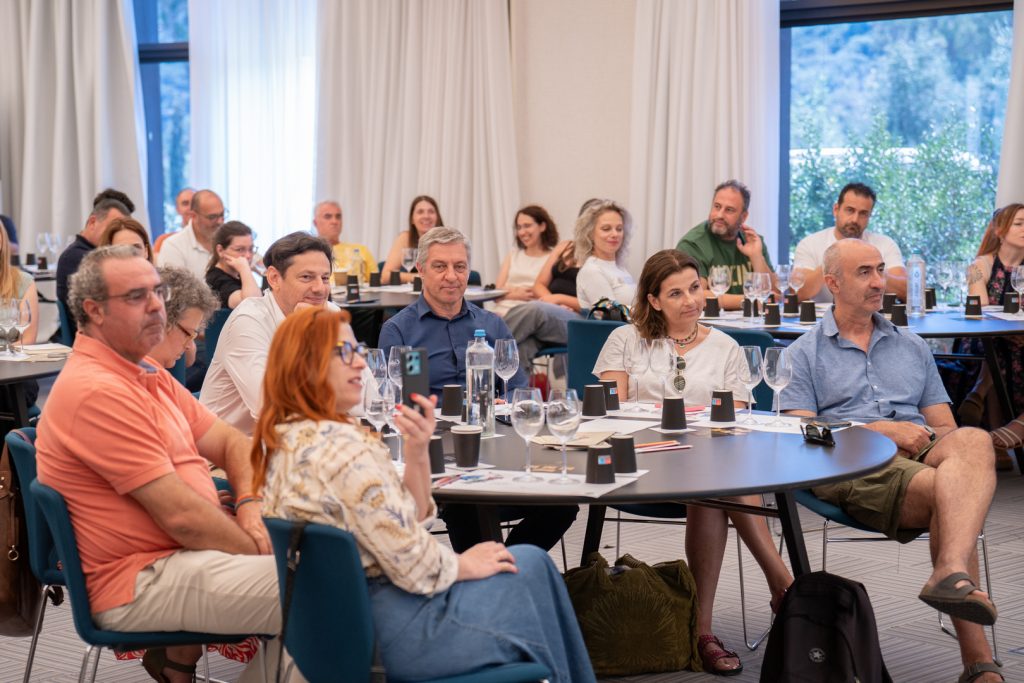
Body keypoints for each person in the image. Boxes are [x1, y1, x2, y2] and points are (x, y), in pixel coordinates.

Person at [253, 307, 596, 682]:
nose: (360, 364)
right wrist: (463, 564)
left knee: (530, 568)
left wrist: (417, 451)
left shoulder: (286, 439)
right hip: (401, 631)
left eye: (358, 351)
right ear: (304, 364)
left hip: (338, 629)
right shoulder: (345, 451)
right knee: (532, 570)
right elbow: (415, 566)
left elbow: (404, 520)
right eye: (343, 352)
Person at [35, 246, 290, 683]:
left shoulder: (145, 374)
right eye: (137, 296)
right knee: (330, 590)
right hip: (141, 579)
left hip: (179, 559)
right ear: (94, 311)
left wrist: (249, 505)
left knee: (337, 585)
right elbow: (183, 518)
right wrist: (259, 548)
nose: (157, 306)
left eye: (158, 292)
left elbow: (232, 442)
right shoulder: (97, 391)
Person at [781, 238, 1001, 683]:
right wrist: (879, 431)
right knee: (951, 495)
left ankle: (949, 571)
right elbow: (800, 436)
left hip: (921, 448)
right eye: (864, 272)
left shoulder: (911, 346)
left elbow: (945, 429)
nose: (880, 282)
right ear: (832, 284)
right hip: (852, 462)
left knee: (976, 440)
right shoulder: (802, 354)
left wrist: (928, 446)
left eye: (881, 269)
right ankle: (979, 666)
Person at [593, 249, 793, 676]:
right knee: (719, 478)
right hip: (639, 461)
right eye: (676, 293)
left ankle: (703, 632)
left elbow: (736, 420)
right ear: (653, 300)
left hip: (706, 463)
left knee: (715, 478)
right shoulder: (625, 340)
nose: (691, 300)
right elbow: (611, 413)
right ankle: (784, 586)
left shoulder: (725, 346)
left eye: (695, 288)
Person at [379, 228, 575, 552]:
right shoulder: (399, 330)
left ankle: (505, 566)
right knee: (469, 506)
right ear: (421, 269)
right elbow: (393, 401)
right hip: (439, 453)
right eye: (440, 266)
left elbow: (517, 389)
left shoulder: (492, 324)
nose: (451, 276)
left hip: (495, 442)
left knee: (562, 502)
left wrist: (504, 403)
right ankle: (494, 569)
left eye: (460, 266)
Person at [200, 231, 353, 435]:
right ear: (274, 278)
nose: (320, 288)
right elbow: (272, 408)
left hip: (301, 438)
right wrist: (305, 331)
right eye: (306, 277)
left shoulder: (330, 312)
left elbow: (365, 394)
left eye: (325, 278)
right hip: (231, 446)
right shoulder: (248, 321)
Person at [964, 203, 1024, 450]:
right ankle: (997, 437)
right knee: (998, 347)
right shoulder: (980, 265)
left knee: (1007, 349)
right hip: (985, 336)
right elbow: (979, 307)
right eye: (1019, 224)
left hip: (1020, 337)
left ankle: (979, 393)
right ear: (1000, 230)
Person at [792, 182, 908, 302]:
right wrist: (833, 261)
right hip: (822, 314)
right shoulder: (809, 244)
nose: (855, 219)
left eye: (863, 213)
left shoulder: (885, 244)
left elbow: (906, 291)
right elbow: (798, 293)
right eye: (850, 210)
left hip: (874, 313)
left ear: (869, 216)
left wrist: (873, 269)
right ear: (836, 210)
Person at [675, 180, 777, 310]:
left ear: (743, 217)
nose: (719, 215)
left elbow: (774, 294)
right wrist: (749, 300)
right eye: (717, 206)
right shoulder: (693, 244)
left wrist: (756, 256)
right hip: (711, 321)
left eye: (729, 210)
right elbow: (696, 296)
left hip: (751, 319)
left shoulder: (753, 241)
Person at [56, 190, 131, 334]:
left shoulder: (92, 255)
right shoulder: (77, 258)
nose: (114, 235)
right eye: (112, 228)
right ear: (92, 222)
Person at [491, 205, 558, 318]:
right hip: (500, 312)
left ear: (542, 226)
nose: (522, 232)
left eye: (527, 226)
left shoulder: (552, 258)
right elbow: (496, 294)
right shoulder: (513, 255)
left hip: (529, 315)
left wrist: (509, 290)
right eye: (519, 227)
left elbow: (545, 295)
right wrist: (516, 294)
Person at [149, 266, 219, 372]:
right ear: (161, 322)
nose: (188, 346)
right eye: (188, 334)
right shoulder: (126, 379)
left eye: (193, 336)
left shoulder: (158, 375)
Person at [574, 199, 636, 310]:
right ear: (590, 233)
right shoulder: (591, 271)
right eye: (606, 229)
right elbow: (612, 313)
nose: (615, 234)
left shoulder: (620, 268)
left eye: (619, 229)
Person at [158, 189, 225, 281]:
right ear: (193, 216)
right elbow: (175, 288)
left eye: (222, 215)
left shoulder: (229, 240)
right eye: (212, 217)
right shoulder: (173, 246)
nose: (220, 221)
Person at [381, 195, 444, 284]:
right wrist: (419, 277)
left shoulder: (447, 240)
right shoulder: (405, 238)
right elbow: (386, 276)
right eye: (420, 212)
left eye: (431, 211)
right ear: (412, 219)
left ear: (437, 217)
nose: (426, 216)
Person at [311, 199, 377, 283]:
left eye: (338, 217)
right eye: (328, 217)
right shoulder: (309, 253)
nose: (334, 221)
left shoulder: (361, 250)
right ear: (315, 223)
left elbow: (376, 283)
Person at [204, 221, 261, 309]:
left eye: (251, 249)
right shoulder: (216, 279)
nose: (248, 255)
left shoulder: (238, 273)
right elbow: (252, 304)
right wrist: (245, 269)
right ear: (220, 250)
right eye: (240, 249)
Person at [154, 187, 195, 255]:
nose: (190, 208)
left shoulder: (212, 241)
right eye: (185, 203)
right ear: (177, 209)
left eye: (194, 203)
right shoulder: (163, 241)